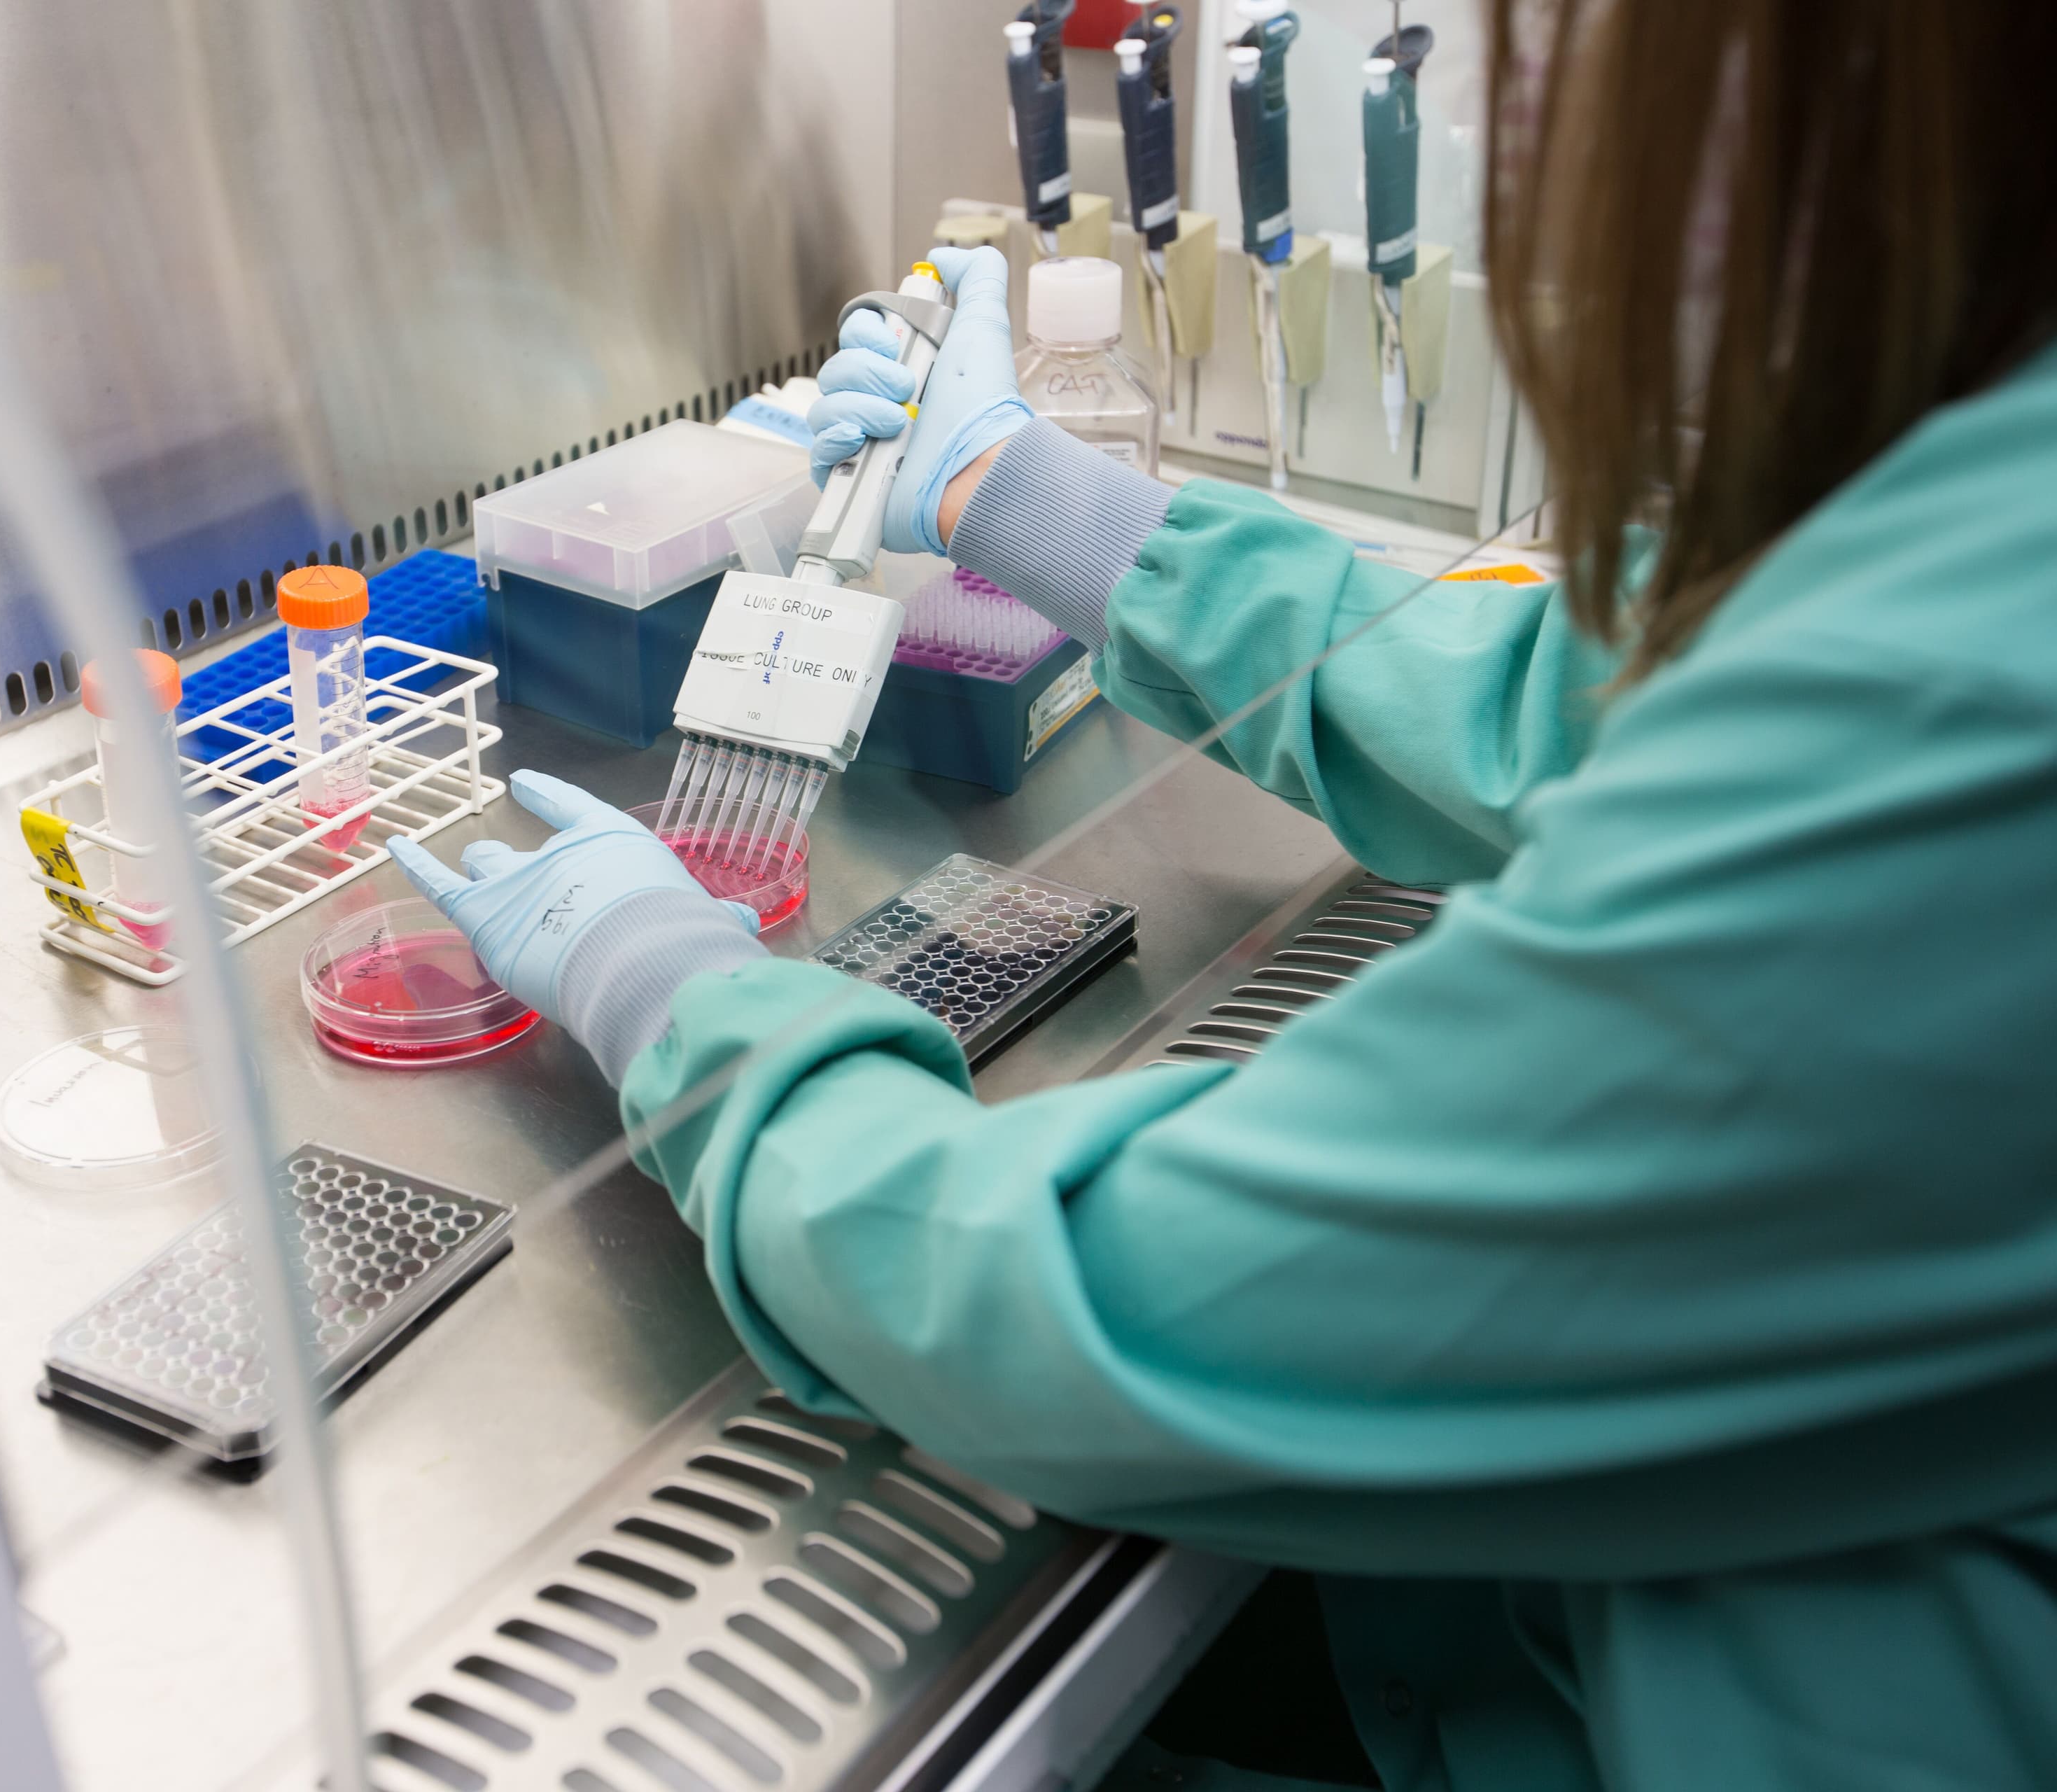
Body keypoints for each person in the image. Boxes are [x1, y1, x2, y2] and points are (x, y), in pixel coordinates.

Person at [391, 5, 2057, 1786]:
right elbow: (1564, 708)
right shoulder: (1977, 519)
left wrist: (679, 998)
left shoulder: (1973, 711)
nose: (1539, 95)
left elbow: (1069, 1301)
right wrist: (1028, 500)